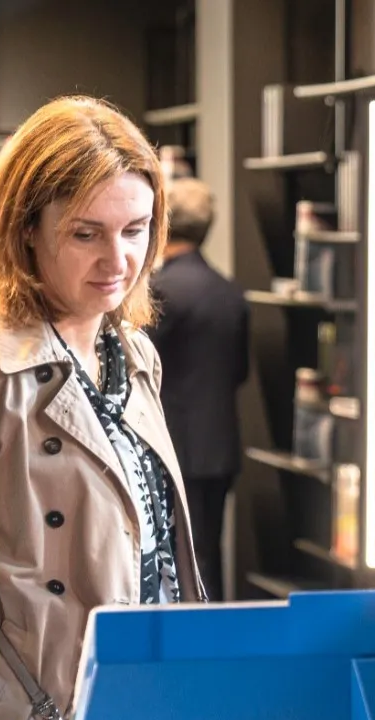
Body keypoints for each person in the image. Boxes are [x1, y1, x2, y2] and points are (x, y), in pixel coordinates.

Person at [0, 96, 254, 720]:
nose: (120, 258)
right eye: (87, 232)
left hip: (155, 714)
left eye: (137, 229)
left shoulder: (132, 353)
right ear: (27, 228)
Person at [147, 177, 250, 601]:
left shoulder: (158, 293)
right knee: (209, 551)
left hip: (170, 445)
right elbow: (240, 371)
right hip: (220, 446)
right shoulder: (230, 291)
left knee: (171, 556)